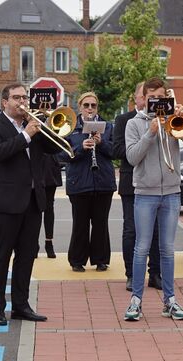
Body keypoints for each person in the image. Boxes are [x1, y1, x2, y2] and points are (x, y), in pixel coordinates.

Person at [0, 82, 61, 326]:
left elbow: (54, 148)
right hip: (6, 201)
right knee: (2, 256)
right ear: (4, 102)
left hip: (32, 200)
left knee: (27, 255)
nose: (22, 102)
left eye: (24, 97)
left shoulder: (34, 125)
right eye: (16, 98)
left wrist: (46, 127)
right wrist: (27, 134)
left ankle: (20, 305)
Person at [124, 77, 183, 321]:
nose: (158, 102)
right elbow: (132, 158)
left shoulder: (171, 119)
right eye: (153, 97)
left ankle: (170, 300)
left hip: (171, 192)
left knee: (167, 249)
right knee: (141, 248)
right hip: (145, 193)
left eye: (162, 97)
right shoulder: (134, 124)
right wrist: (150, 132)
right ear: (145, 98)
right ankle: (135, 301)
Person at [113, 82, 162, 291]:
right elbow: (117, 149)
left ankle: (156, 273)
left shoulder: (162, 118)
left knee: (156, 231)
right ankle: (132, 274)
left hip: (156, 182)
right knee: (132, 230)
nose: (148, 100)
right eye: (145, 96)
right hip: (131, 180)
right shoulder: (124, 120)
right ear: (138, 98)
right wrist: (140, 142)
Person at [63, 92, 116, 272]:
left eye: (93, 105)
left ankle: (101, 260)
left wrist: (101, 144)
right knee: (80, 223)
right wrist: (79, 148)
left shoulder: (107, 126)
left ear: (97, 107)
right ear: (80, 107)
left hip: (103, 182)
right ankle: (77, 260)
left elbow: (116, 152)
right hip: (79, 183)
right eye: (86, 105)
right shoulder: (70, 127)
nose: (90, 109)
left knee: (101, 223)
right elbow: (61, 154)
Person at [39, 152, 62, 258]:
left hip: (50, 165)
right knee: (35, 208)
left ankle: (49, 242)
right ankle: (34, 243)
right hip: (36, 163)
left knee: (49, 207)